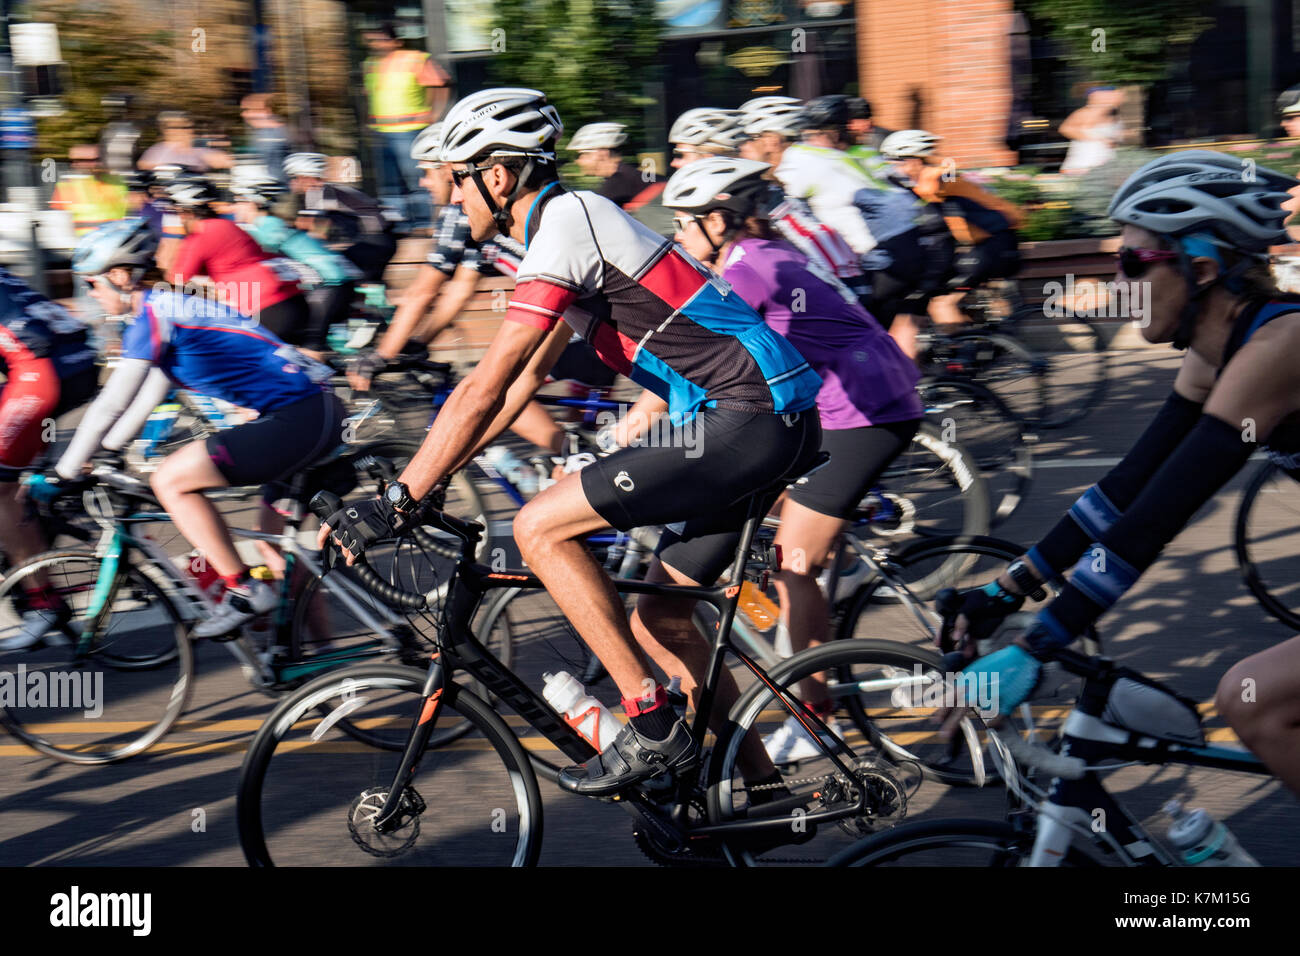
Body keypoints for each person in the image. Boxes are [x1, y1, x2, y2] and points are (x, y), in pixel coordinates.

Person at [318, 88, 824, 797]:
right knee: (663, 618)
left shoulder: (566, 224)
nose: (450, 196)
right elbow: (519, 383)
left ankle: (650, 724)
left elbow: (483, 385)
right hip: (765, 415)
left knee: (539, 527)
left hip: (748, 413)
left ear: (496, 176)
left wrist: (400, 495)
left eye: (457, 177)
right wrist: (424, 482)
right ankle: (765, 793)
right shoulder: (571, 227)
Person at [936, 151, 1300, 798]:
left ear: (1205, 267)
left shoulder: (1278, 348)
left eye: (1132, 263)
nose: (1117, 281)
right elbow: (1123, 491)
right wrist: (1008, 589)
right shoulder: (1216, 355)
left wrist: (1036, 647)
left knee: (1255, 706)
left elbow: (1156, 518)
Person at [663, 157, 924, 761]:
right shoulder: (761, 254)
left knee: (792, 563)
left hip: (864, 413)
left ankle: (814, 722)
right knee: (766, 495)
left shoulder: (747, 269)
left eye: (683, 223)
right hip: (862, 397)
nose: (677, 237)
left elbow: (699, 359)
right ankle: (833, 572)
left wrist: (655, 431)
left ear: (719, 220)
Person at [41, 218, 344, 640]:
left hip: (300, 415)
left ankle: (242, 590)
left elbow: (111, 400)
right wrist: (108, 449)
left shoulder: (153, 314)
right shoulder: (169, 307)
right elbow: (146, 396)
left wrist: (64, 473)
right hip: (315, 410)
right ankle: (319, 662)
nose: (90, 294)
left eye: (92, 284)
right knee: (276, 550)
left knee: (172, 481)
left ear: (120, 276)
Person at [0, 268, 99, 649]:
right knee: (23, 474)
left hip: (39, 377)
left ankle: (43, 604)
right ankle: (38, 518)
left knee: (2, 491)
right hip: (77, 367)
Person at [881, 129, 1023, 335]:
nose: (894, 168)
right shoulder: (936, 177)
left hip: (992, 247)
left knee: (941, 303)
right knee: (943, 289)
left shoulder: (934, 179)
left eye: (897, 162)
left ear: (915, 160)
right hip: (995, 244)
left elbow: (925, 206)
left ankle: (958, 357)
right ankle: (985, 340)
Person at [164, 177, 314, 350]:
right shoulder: (229, 226)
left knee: (230, 364)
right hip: (293, 299)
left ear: (185, 212)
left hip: (265, 307)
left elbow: (176, 282)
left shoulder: (200, 235)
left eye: (176, 212)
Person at [228, 167, 363, 355]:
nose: (233, 207)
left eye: (237, 201)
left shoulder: (267, 227)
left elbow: (237, 253)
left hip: (331, 285)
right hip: (330, 283)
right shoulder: (268, 224)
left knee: (311, 348)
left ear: (252, 202)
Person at [362, 21, 450, 230]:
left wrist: (434, 113)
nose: (376, 44)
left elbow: (441, 83)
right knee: (390, 184)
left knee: (417, 181)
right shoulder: (371, 64)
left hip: (409, 130)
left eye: (381, 39)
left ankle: (422, 224)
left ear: (395, 41)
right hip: (382, 132)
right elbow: (371, 95)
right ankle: (399, 226)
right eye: (374, 40)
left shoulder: (414, 59)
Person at [284, 152, 399, 285]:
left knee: (342, 278)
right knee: (370, 285)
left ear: (306, 177)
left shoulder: (317, 191)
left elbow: (314, 225)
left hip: (374, 239)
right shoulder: (332, 189)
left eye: (294, 177)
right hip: (384, 239)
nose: (291, 182)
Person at [568, 122, 665, 210]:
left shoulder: (618, 184)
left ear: (602, 154)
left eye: (582, 154)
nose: (578, 161)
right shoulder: (630, 176)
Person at [50, 145, 127, 238]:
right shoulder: (66, 186)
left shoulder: (117, 181)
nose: (94, 164)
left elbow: (132, 206)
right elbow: (58, 223)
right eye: (82, 160)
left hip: (115, 241)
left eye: (96, 160)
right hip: (84, 244)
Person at [137, 112, 232, 173]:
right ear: (165, 131)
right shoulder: (157, 151)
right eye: (174, 128)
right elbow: (144, 168)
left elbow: (222, 160)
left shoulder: (198, 149)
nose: (180, 131)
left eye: (186, 127)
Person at [1059, 86, 1124, 175]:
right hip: (1082, 168)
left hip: (1102, 168)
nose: (1119, 97)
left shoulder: (1113, 116)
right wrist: (1099, 139)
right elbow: (1065, 129)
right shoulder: (1085, 113)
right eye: (1112, 94)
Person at [241, 94, 291, 189]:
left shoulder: (280, 134)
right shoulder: (261, 135)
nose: (243, 114)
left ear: (263, 111)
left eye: (247, 110)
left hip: (279, 192)